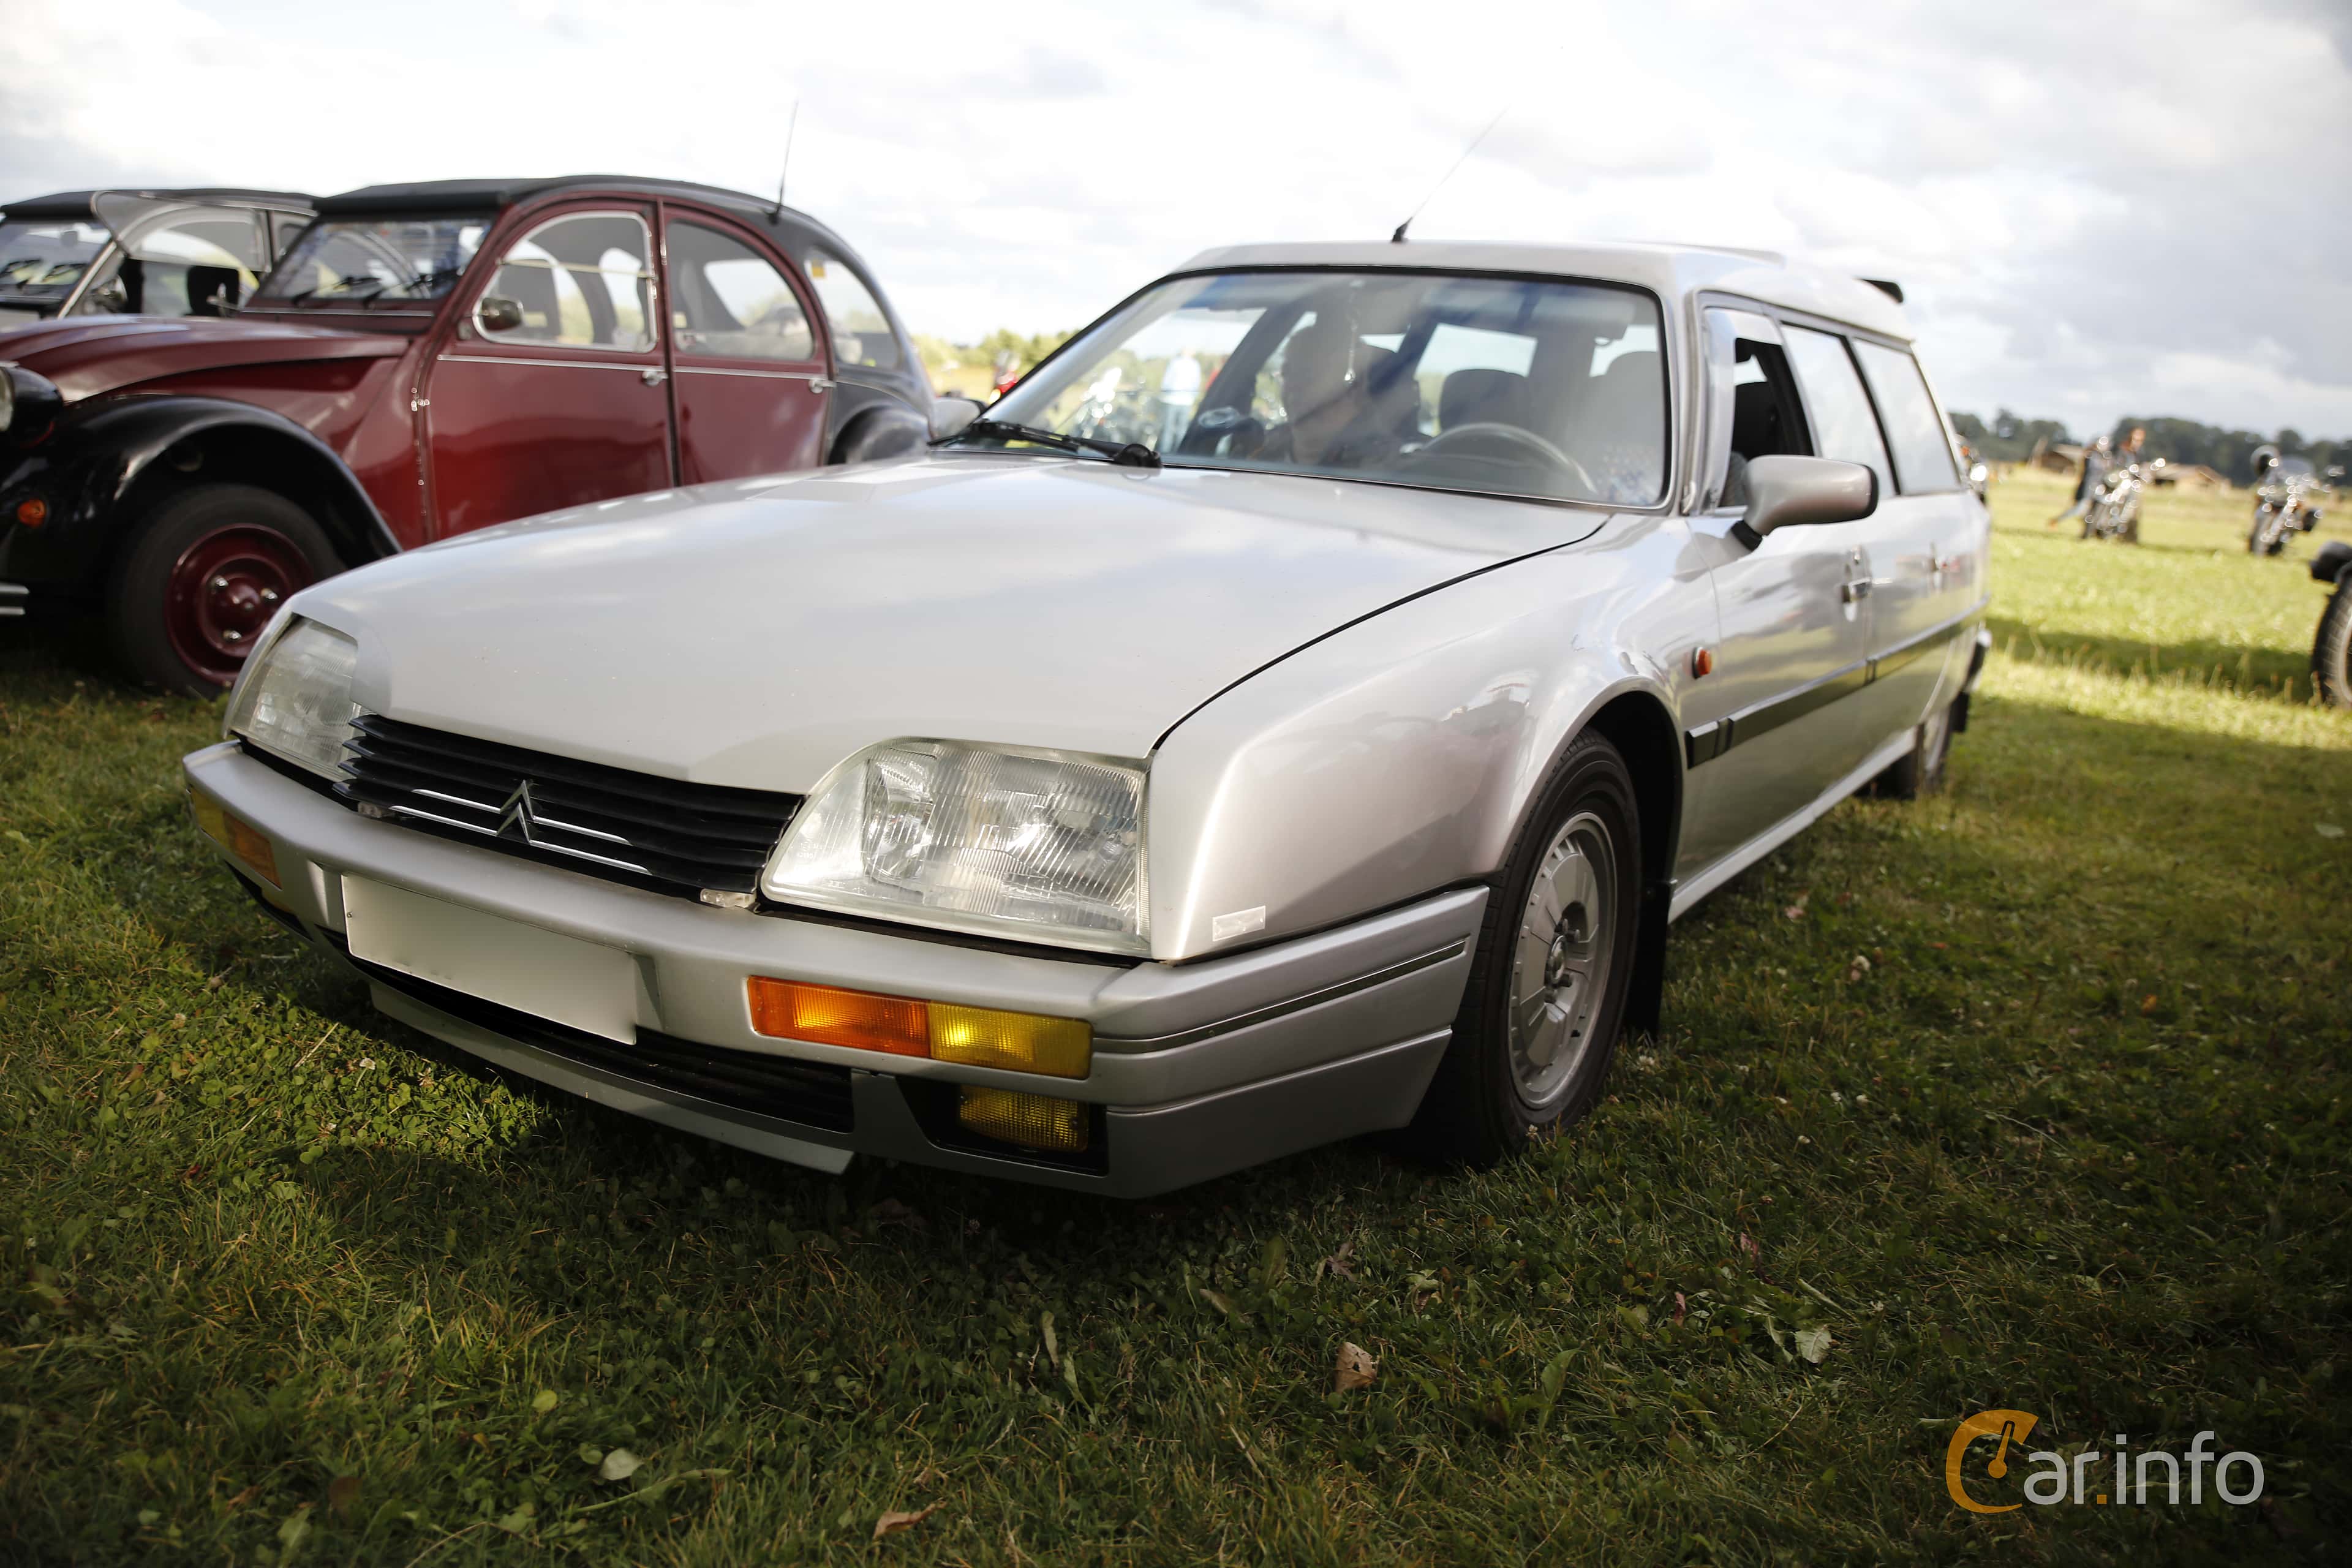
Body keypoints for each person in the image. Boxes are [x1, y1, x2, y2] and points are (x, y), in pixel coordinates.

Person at [2051, 434, 2112, 527]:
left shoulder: (2100, 457)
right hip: (2088, 485)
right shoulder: (2091, 455)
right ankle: (2056, 521)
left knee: (2090, 510)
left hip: (2096, 486)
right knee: (2080, 509)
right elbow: (2093, 471)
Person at [1156, 350, 1201, 453]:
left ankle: (1165, 454)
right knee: (1182, 429)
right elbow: (1196, 383)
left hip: (1172, 399)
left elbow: (1167, 381)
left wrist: (1164, 393)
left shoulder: (1175, 363)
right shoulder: (1195, 365)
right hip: (1186, 400)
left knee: (1168, 428)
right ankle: (1180, 453)